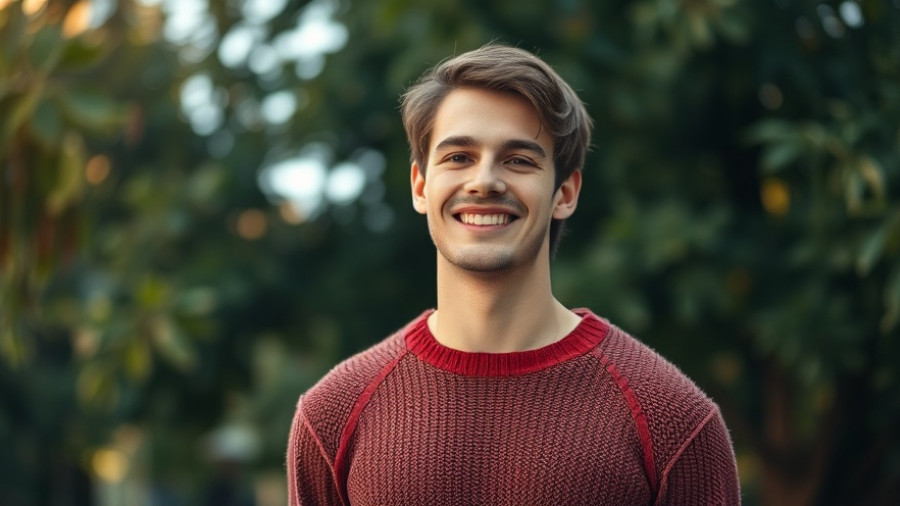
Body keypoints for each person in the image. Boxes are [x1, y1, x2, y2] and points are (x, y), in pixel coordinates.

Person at [286, 44, 741, 505]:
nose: (485, 181)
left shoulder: (674, 423)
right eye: (459, 157)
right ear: (420, 186)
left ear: (564, 192)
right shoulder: (333, 417)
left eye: (519, 160)